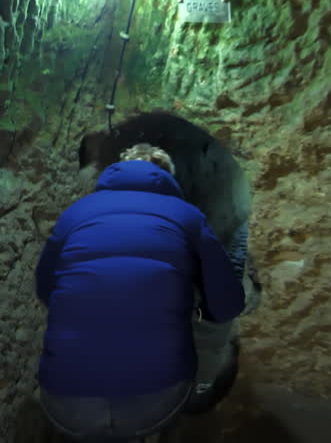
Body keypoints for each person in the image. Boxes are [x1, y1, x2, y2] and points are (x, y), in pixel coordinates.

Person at [34, 143, 246, 441]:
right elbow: (227, 305)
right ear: (169, 177)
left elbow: (44, 290)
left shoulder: (75, 214)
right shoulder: (187, 216)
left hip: (66, 397)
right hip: (153, 399)